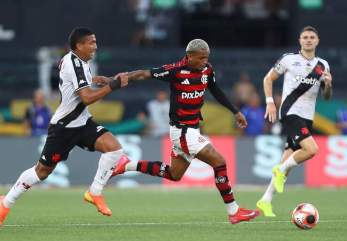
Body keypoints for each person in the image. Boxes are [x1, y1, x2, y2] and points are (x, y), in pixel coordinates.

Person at [110, 39, 260, 224]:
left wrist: (235, 111)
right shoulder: (175, 70)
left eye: (207, 57)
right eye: (201, 58)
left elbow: (216, 90)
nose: (205, 61)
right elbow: (144, 74)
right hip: (182, 131)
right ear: (189, 57)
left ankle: (127, 165)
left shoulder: (207, 70)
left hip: (192, 130)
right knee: (219, 162)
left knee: (174, 174)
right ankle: (234, 211)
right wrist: (121, 78)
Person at [0, 27, 128, 226]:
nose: (95, 46)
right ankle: (6, 203)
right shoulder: (75, 64)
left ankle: (94, 192)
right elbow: (86, 97)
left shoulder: (75, 60)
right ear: (79, 45)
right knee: (42, 172)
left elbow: (72, 78)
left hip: (82, 122)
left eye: (95, 41)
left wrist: (96, 79)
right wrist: (112, 85)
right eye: (91, 42)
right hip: (64, 127)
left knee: (114, 149)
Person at [256, 26, 333, 217]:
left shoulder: (323, 65)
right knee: (311, 150)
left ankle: (265, 200)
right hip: (290, 112)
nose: (308, 40)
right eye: (305, 37)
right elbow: (268, 79)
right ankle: (280, 170)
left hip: (307, 117)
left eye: (312, 37)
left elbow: (328, 97)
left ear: (317, 40)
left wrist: (328, 85)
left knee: (288, 158)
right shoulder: (289, 59)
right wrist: (270, 102)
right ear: (300, 40)